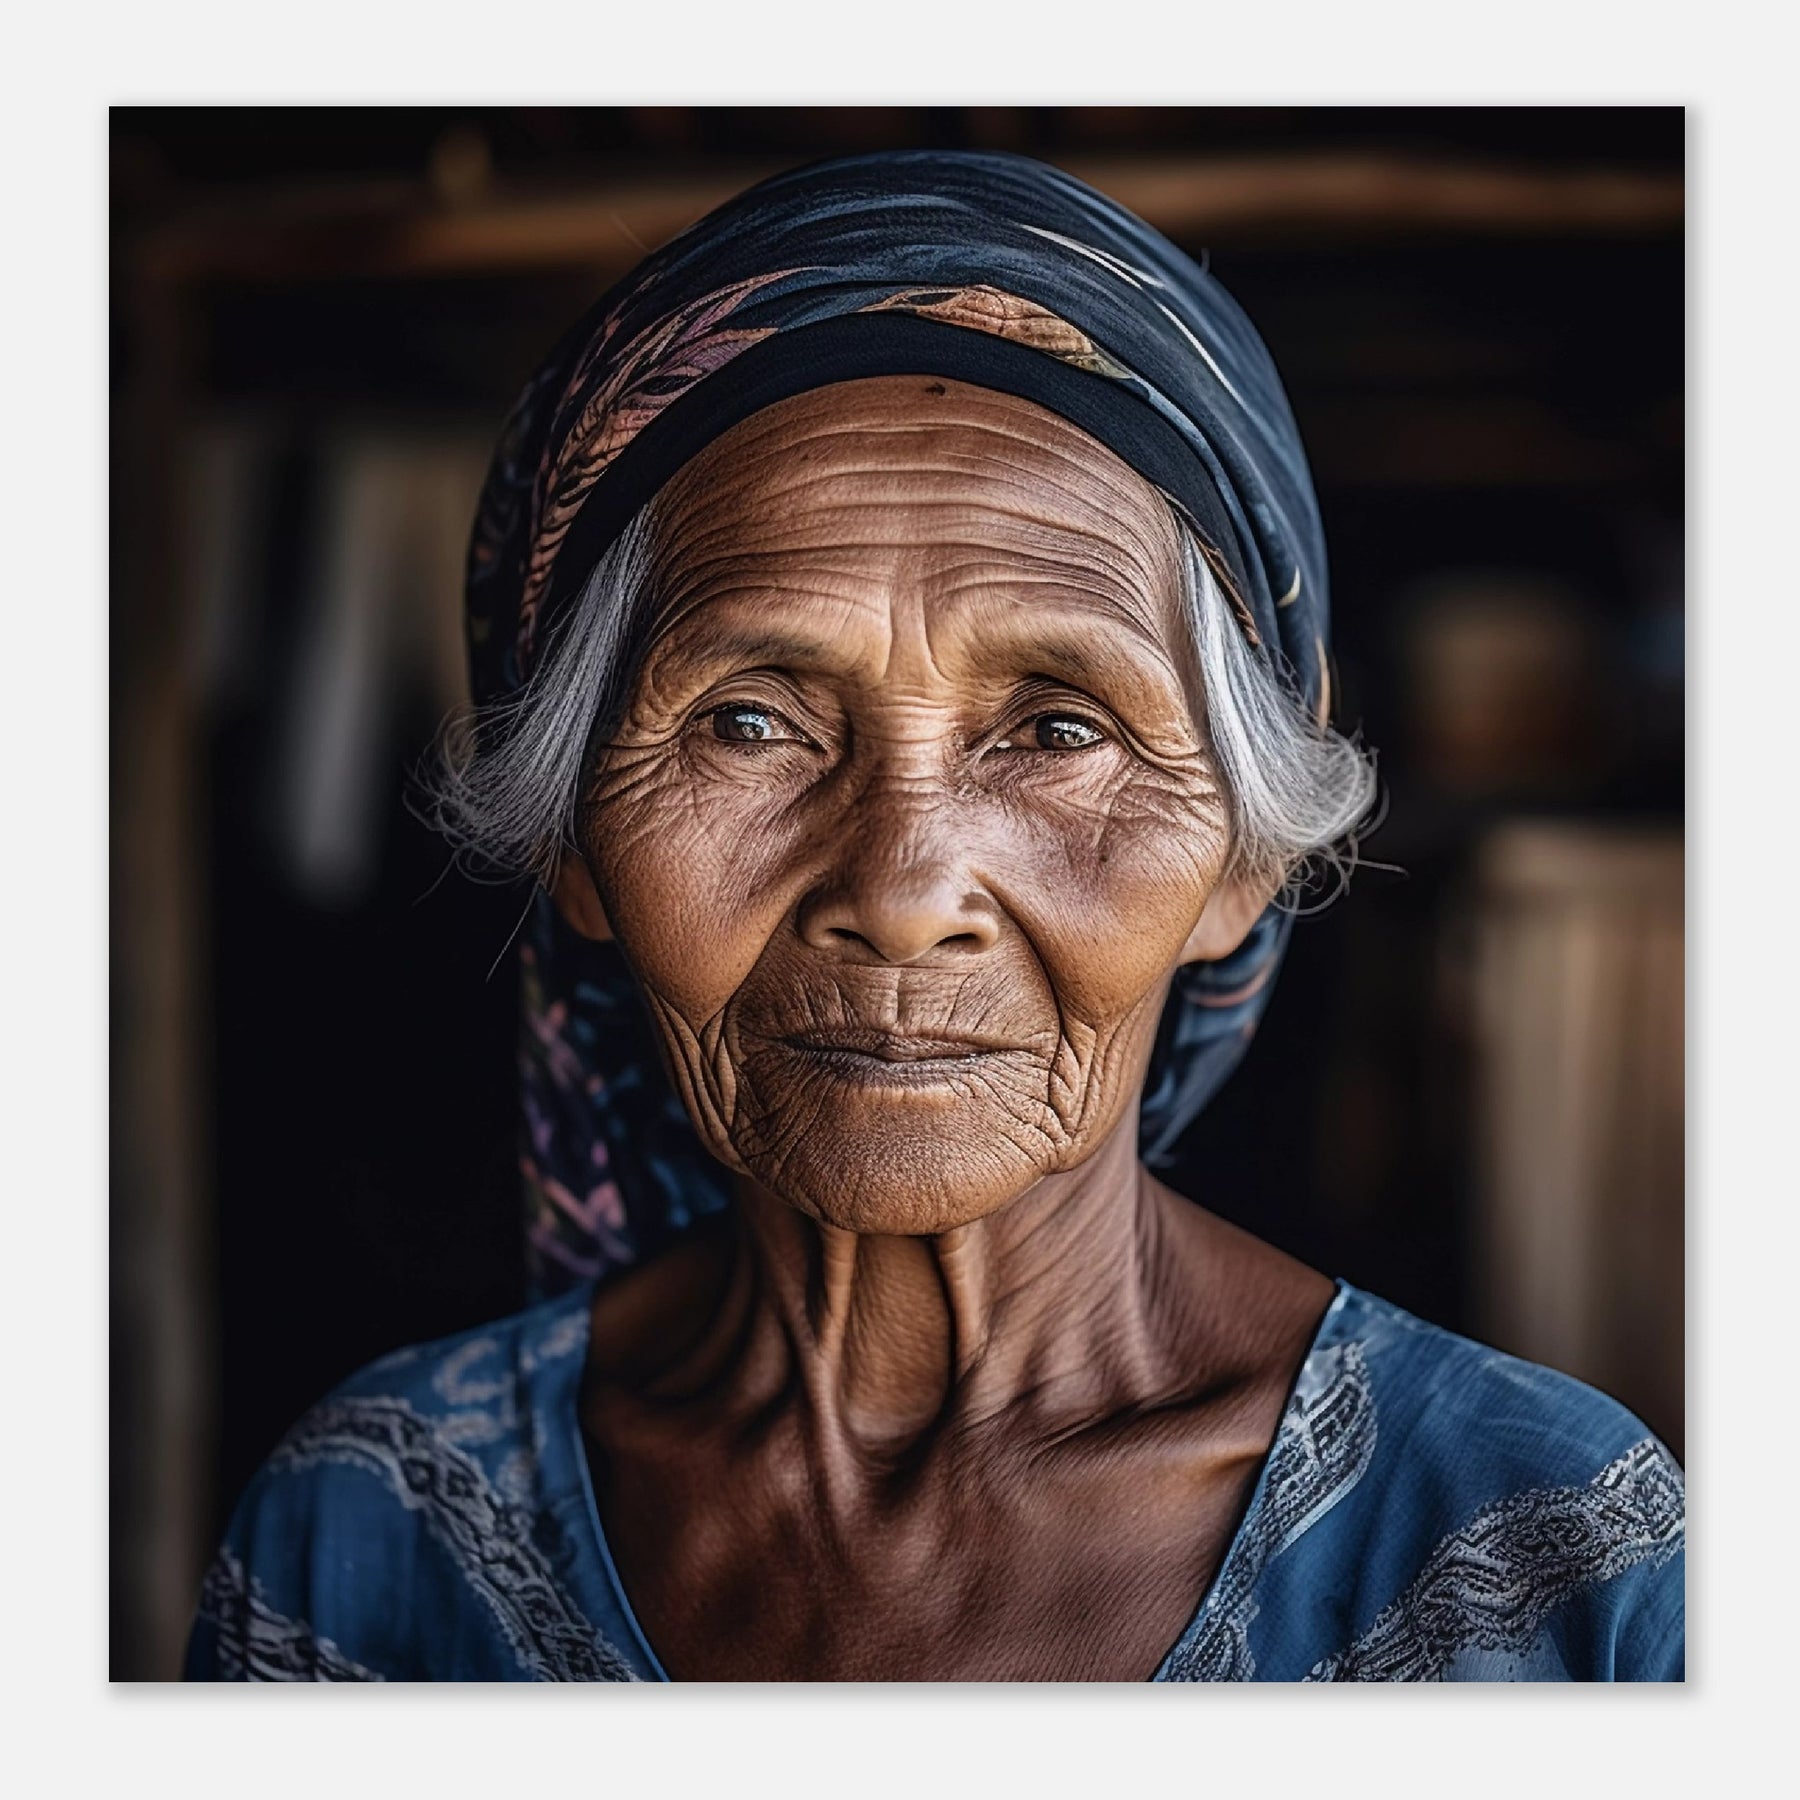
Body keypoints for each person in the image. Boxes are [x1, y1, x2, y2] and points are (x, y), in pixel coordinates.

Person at [184, 151, 1684, 1683]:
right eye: (751, 723)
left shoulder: (1555, 1557)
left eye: (1056, 729)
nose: (902, 898)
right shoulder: (364, 1538)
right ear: (575, 839)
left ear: (1243, 861)